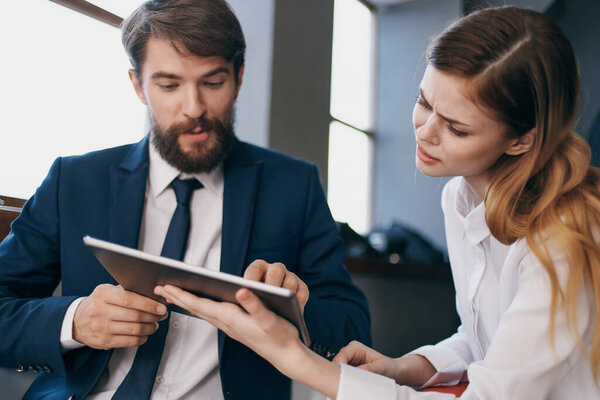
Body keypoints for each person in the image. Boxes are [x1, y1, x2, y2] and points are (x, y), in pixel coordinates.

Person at [155, 6, 600, 399]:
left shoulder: (561, 243)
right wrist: (407, 368)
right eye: (423, 102)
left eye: (457, 128)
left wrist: (296, 359)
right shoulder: (460, 197)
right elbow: (485, 339)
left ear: (521, 140)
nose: (425, 132)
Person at [0, 0, 371, 399]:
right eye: (169, 85)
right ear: (138, 85)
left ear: (239, 78)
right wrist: (74, 322)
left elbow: (352, 327)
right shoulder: (72, 180)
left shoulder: (293, 185)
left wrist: (296, 308)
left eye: (212, 83)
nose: (194, 109)